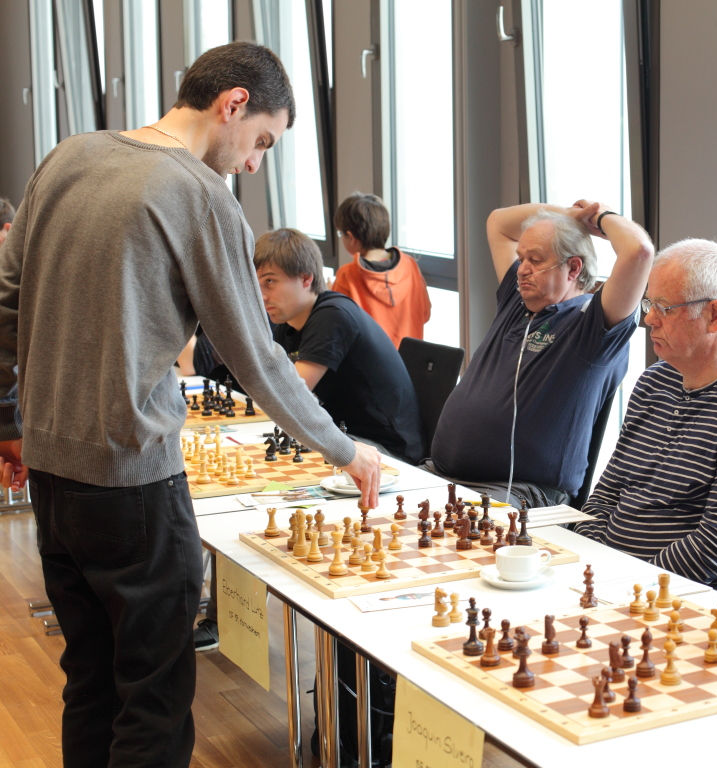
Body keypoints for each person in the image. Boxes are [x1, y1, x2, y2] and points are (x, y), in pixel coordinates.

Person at [0, 41, 383, 768]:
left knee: (91, 685)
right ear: (233, 104)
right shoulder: (200, 195)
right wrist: (344, 449)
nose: (255, 164)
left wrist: (5, 420)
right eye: (263, 141)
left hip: (52, 477)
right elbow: (257, 357)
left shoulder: (68, 157)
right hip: (134, 487)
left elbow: (4, 303)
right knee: (153, 702)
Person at [572, 239, 717, 605]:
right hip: (618, 584)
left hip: (696, 602)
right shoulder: (655, 382)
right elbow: (608, 493)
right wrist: (589, 563)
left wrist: (627, 586)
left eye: (664, 308)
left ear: (714, 316)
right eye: (649, 304)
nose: (649, 318)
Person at [427, 200, 654, 505]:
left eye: (535, 260)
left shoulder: (591, 326)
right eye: (521, 258)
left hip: (519, 492)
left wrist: (598, 217)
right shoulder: (517, 301)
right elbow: (498, 222)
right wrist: (568, 216)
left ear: (573, 268)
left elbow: (639, 252)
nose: (522, 270)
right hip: (442, 475)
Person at [255, 226, 424, 463]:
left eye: (270, 282)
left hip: (385, 451)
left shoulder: (332, 316)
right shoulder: (288, 322)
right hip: (345, 437)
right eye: (257, 285)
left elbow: (289, 396)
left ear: (306, 278)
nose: (262, 295)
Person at [331, 191, 431, 348]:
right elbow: (425, 314)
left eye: (340, 234)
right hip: (410, 361)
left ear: (351, 237)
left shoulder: (347, 276)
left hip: (368, 364)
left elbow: (336, 329)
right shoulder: (410, 265)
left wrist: (328, 296)